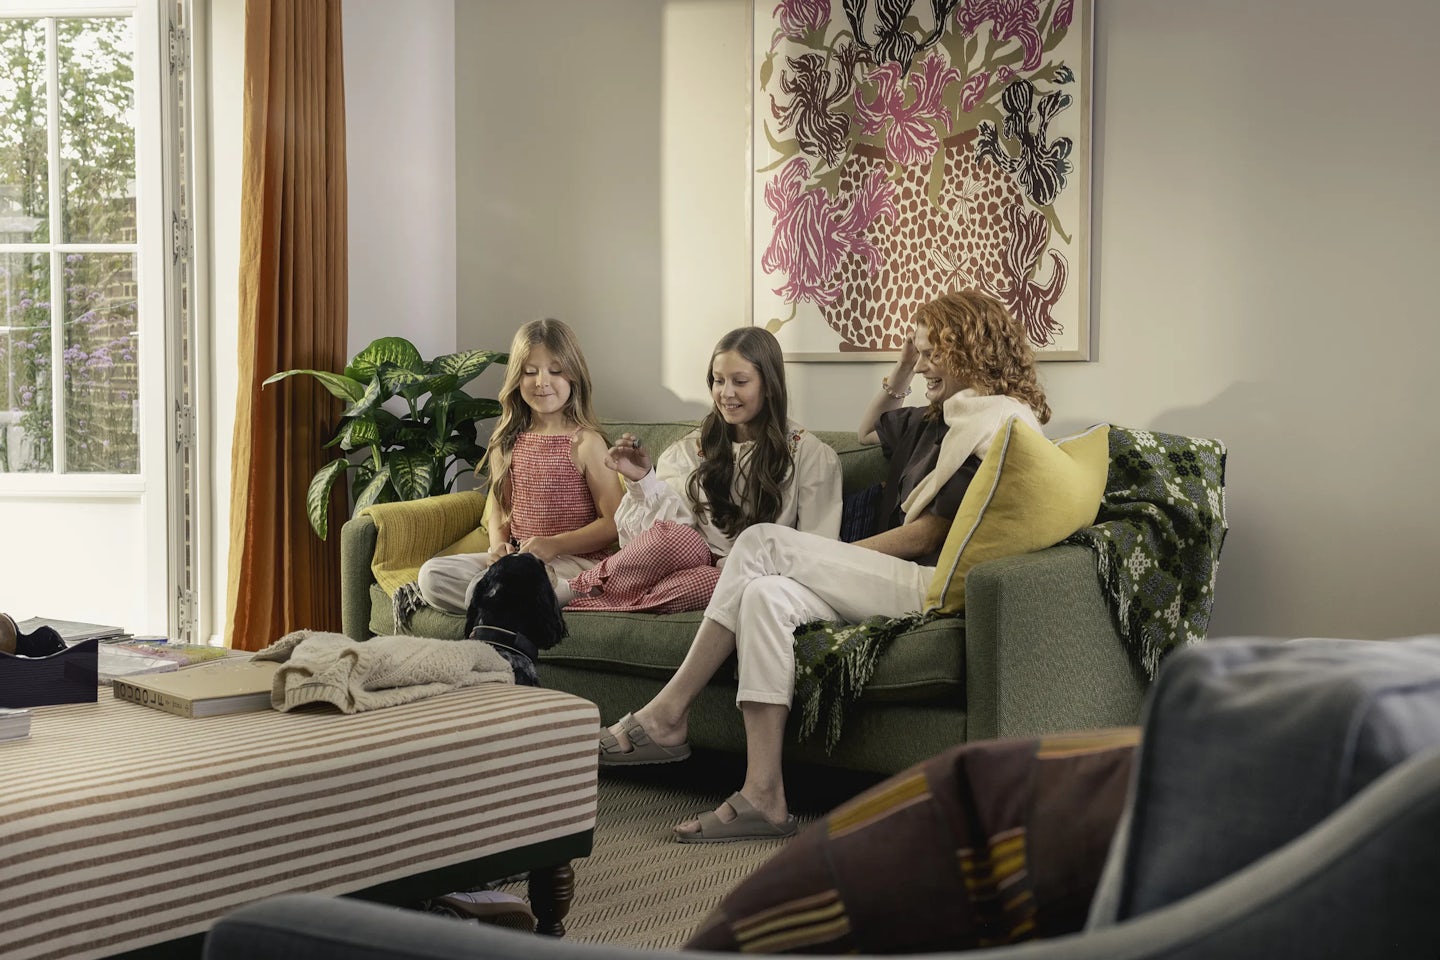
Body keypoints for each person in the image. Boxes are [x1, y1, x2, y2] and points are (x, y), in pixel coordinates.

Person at [595, 290, 1052, 843]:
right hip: (890, 579)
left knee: (762, 543)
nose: (923, 364)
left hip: (927, 582)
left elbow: (928, 533)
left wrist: (834, 557)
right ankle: (764, 796)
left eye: (933, 353)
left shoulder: (995, 424)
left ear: (969, 351)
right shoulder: (943, 418)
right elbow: (867, 430)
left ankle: (667, 713)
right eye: (921, 352)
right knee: (763, 594)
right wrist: (904, 364)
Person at [560, 326, 842, 613]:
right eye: (718, 381)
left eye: (740, 381)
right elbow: (657, 543)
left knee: (715, 582)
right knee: (680, 539)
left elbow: (816, 552)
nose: (726, 393)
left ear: (769, 385)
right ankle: (573, 588)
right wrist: (644, 480)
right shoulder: (689, 450)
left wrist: (739, 565)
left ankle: (578, 602)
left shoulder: (809, 456)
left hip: (746, 576)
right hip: (689, 558)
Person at [407, 318, 621, 620]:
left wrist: (554, 545)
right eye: (530, 372)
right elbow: (499, 512)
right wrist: (498, 548)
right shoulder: (506, 441)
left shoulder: (587, 442)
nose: (541, 381)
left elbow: (613, 523)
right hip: (519, 561)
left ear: (574, 375)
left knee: (500, 586)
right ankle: (504, 602)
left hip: (576, 564)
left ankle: (493, 603)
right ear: (516, 378)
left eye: (555, 371)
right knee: (431, 575)